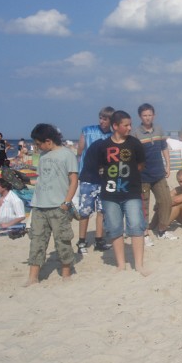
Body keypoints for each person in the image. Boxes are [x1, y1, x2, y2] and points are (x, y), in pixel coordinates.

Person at [93, 111, 149, 275]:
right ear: (115, 126)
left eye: (130, 124)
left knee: (136, 226)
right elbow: (100, 167)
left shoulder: (135, 144)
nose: (130, 128)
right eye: (126, 125)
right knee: (115, 227)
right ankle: (121, 265)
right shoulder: (103, 146)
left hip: (132, 192)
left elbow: (141, 165)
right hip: (110, 195)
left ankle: (139, 265)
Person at [26, 124, 78, 286]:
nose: (37, 147)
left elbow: (73, 180)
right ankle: (33, 277)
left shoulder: (67, 155)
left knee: (62, 240)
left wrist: (67, 202)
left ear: (48, 141)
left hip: (58, 206)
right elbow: (42, 179)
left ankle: (66, 273)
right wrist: (24, 180)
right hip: (39, 205)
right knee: (37, 241)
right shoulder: (42, 156)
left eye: (38, 143)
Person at [132, 103, 175, 242]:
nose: (147, 118)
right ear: (140, 116)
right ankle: (145, 234)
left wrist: (168, 165)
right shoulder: (135, 133)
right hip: (142, 176)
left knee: (166, 201)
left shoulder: (159, 129)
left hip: (159, 173)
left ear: (154, 115)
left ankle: (162, 229)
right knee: (144, 206)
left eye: (150, 115)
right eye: (144, 115)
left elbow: (164, 148)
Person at [75, 106, 114, 253]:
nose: (102, 121)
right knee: (85, 211)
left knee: (102, 211)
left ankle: (99, 240)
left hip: (104, 178)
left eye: (105, 119)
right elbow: (80, 151)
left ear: (111, 121)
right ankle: (81, 241)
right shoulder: (87, 130)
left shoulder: (112, 135)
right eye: (101, 118)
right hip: (88, 176)